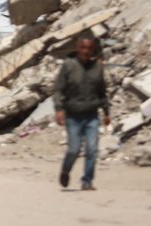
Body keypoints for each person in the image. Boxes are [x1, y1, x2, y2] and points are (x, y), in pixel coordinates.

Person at [54, 35, 110, 191]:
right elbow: (58, 90)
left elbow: (102, 92)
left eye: (89, 49)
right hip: (73, 115)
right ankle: (66, 170)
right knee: (74, 149)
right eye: (83, 48)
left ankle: (87, 181)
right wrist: (59, 109)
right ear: (78, 48)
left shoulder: (97, 68)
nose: (86, 51)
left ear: (93, 50)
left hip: (92, 115)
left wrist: (106, 112)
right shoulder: (68, 66)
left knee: (92, 149)